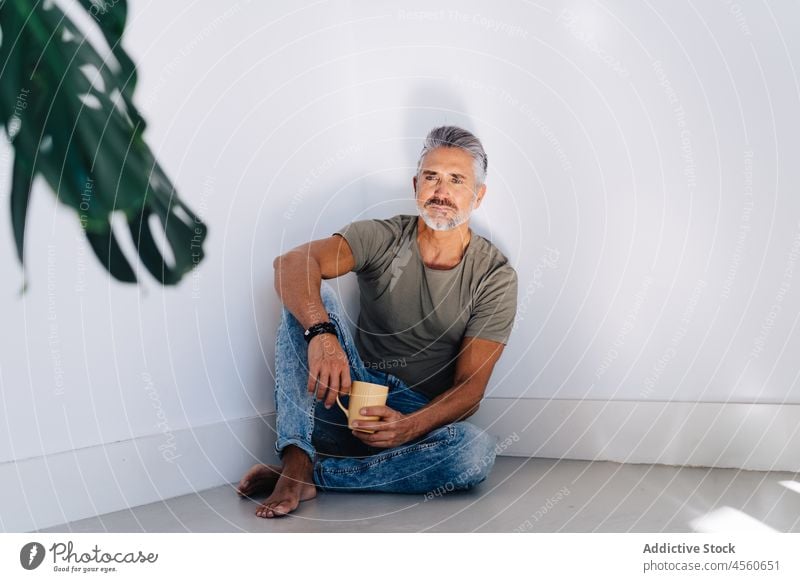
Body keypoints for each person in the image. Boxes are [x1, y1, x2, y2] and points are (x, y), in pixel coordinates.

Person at [237, 126, 518, 518]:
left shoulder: (494, 274)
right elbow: (291, 263)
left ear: (478, 195)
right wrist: (322, 334)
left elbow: (470, 389)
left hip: (418, 419)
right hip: (350, 396)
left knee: (472, 454)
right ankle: (297, 457)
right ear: (416, 184)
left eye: (457, 180)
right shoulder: (385, 236)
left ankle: (317, 474)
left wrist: (409, 425)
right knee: (309, 300)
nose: (441, 190)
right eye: (432, 177)